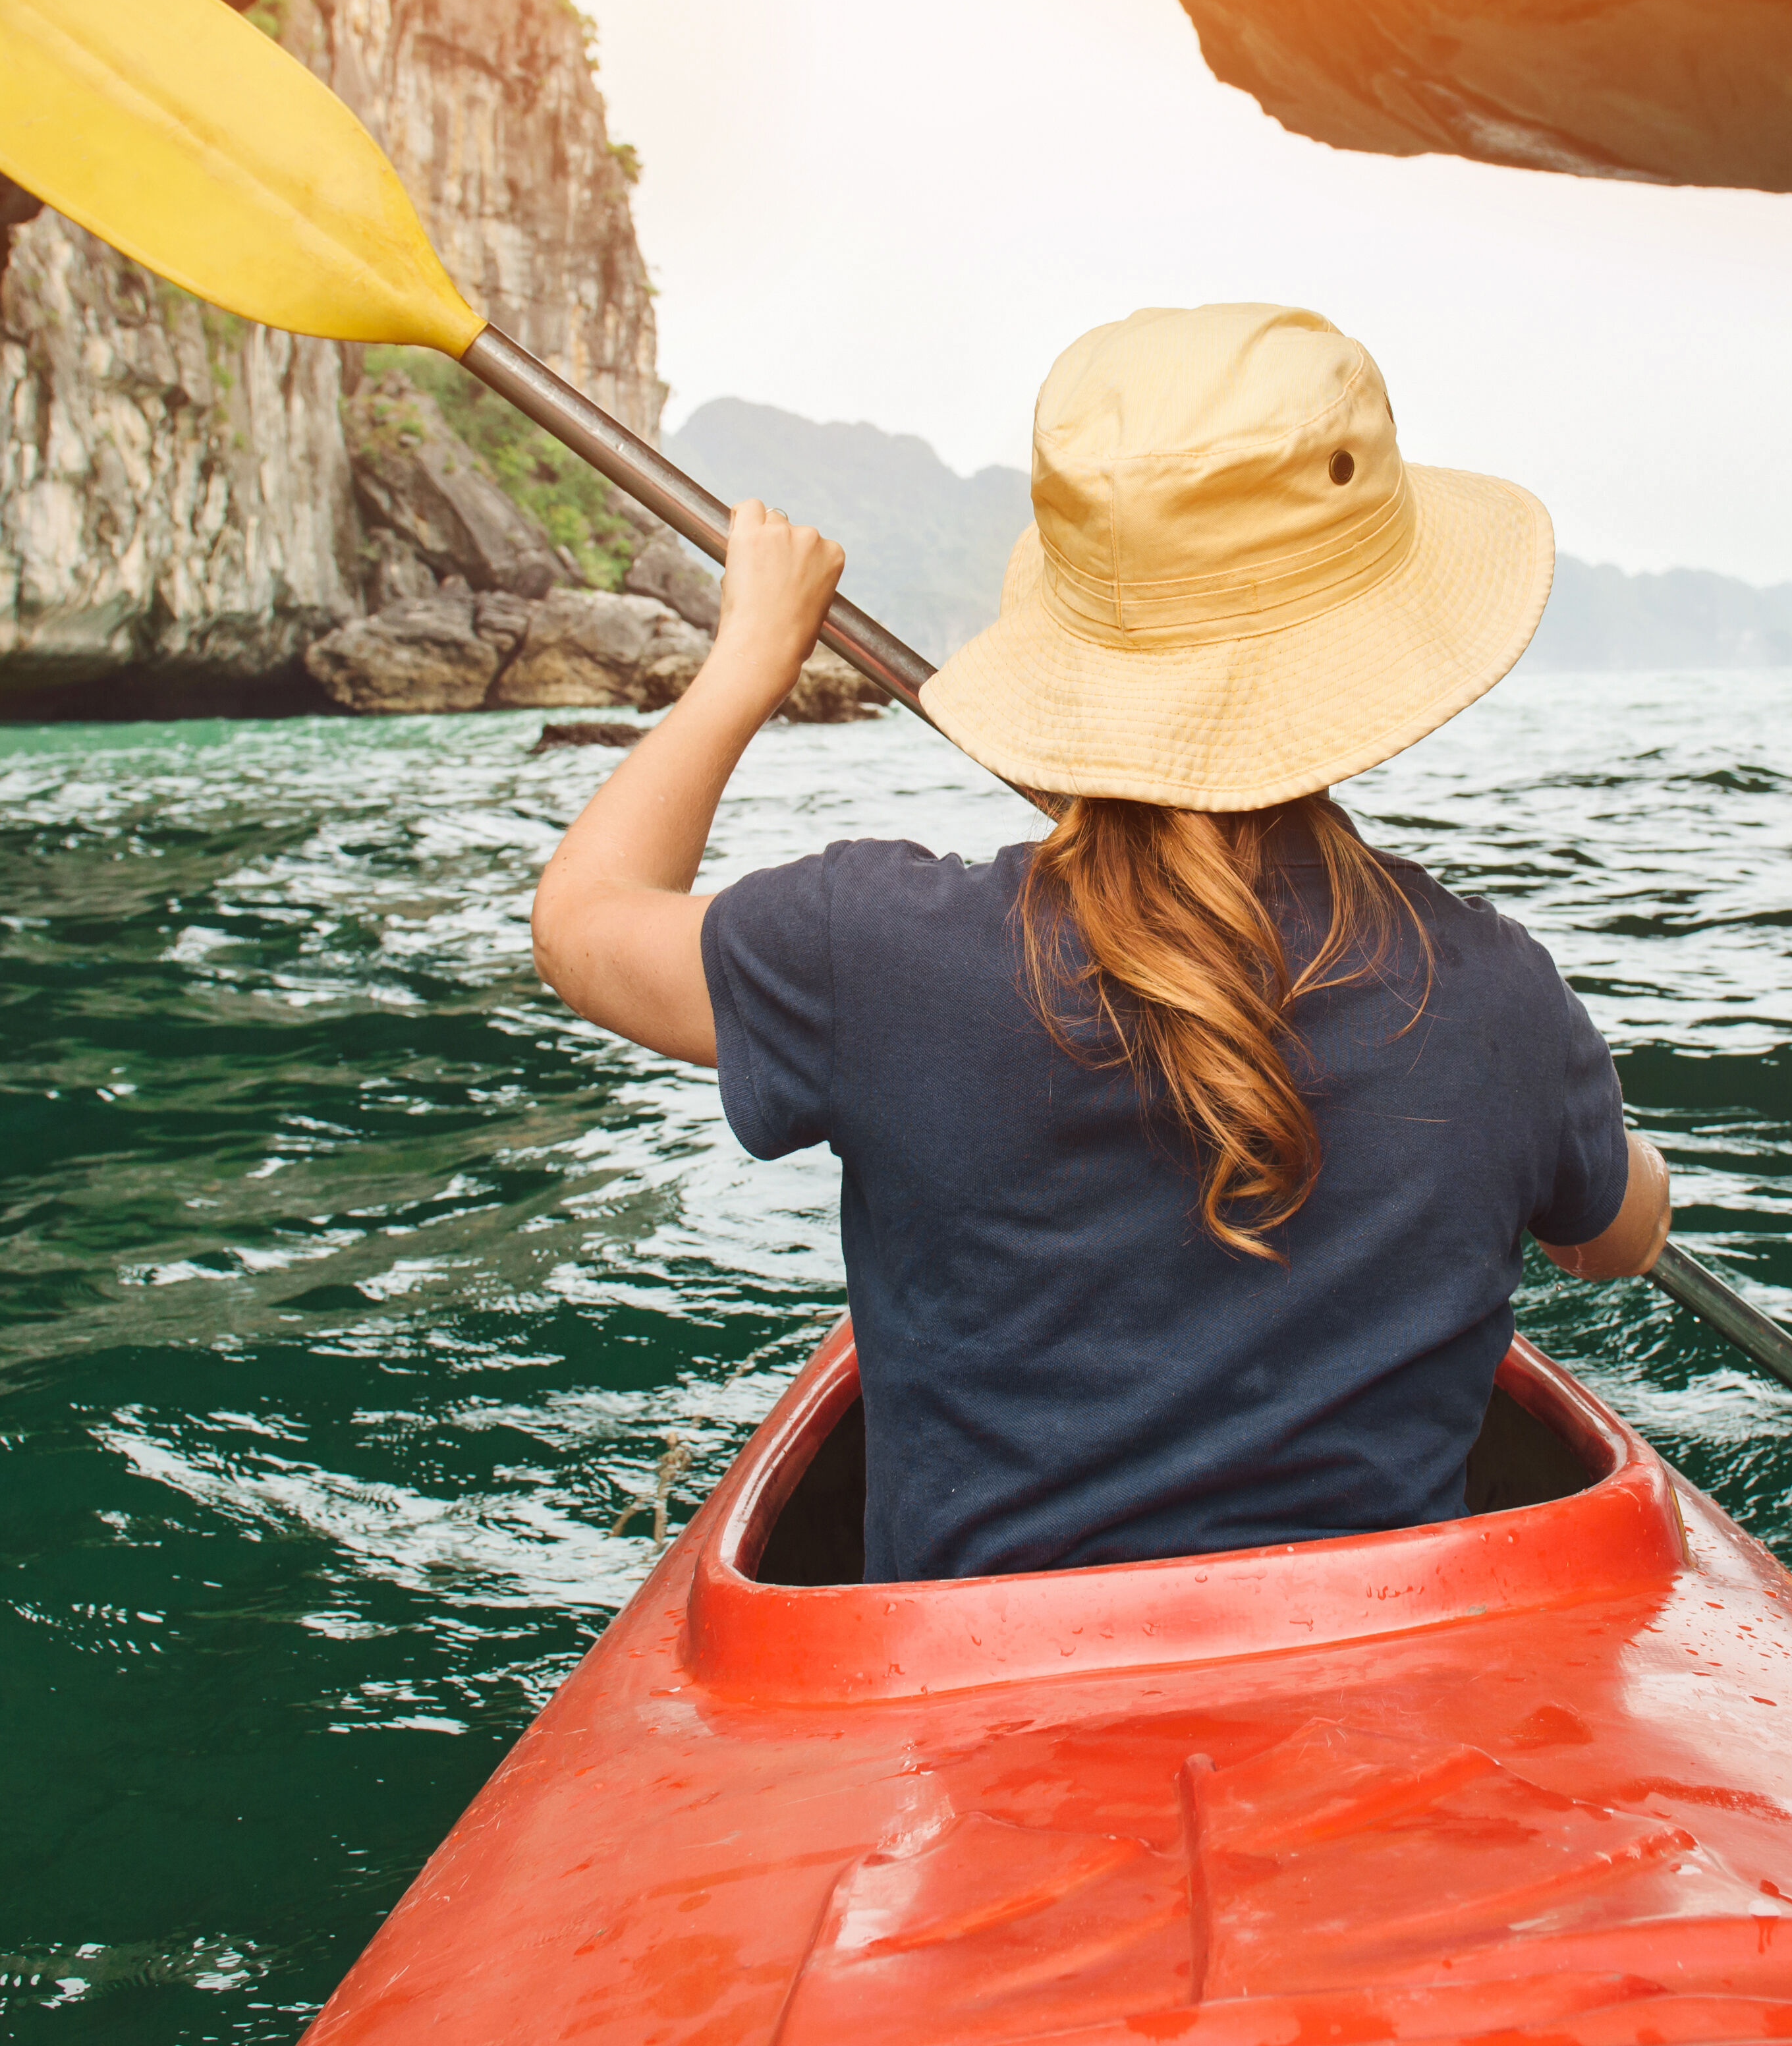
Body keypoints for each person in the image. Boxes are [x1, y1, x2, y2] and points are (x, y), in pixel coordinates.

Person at [530, 302, 1671, 1584]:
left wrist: (747, 660)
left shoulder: (871, 952)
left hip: (977, 1713)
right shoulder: (1497, 996)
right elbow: (1616, 1237)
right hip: (1375, 1686)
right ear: (1378, 635)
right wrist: (1561, 1119)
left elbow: (582, 923)